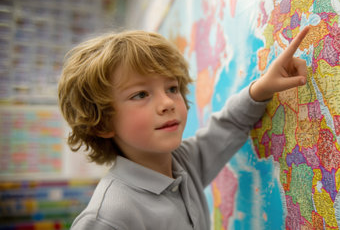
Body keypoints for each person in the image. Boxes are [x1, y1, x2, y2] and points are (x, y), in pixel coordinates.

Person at [58, 26, 310, 229]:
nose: (167, 103)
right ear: (102, 123)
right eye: (140, 94)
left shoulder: (183, 164)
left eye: (172, 88)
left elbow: (229, 125)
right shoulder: (109, 217)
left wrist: (262, 88)